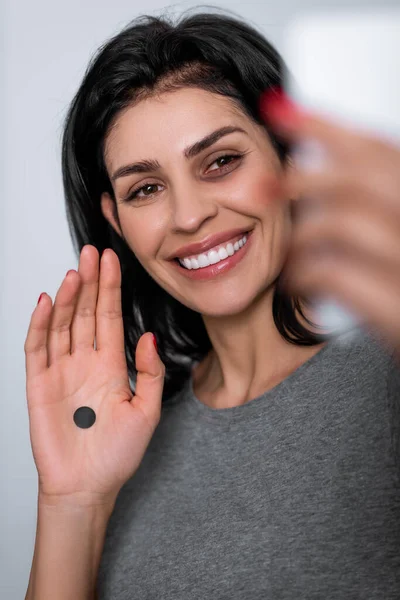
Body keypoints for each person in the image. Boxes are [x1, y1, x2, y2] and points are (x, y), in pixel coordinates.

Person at [23, 8, 400, 600]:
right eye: (146, 189)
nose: (190, 215)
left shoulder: (388, 371)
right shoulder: (122, 442)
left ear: (291, 158)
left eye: (220, 162)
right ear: (115, 220)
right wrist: (73, 502)